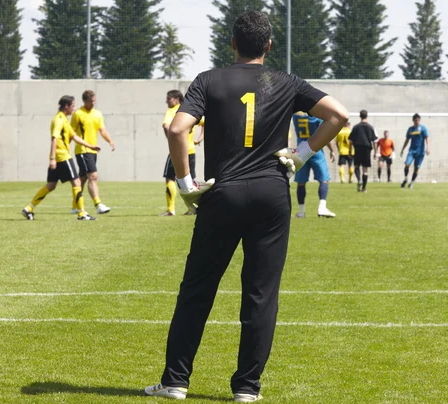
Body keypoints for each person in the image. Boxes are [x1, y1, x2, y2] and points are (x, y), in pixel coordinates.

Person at [144, 11, 348, 402]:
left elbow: (176, 128)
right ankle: (247, 389)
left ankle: (175, 381)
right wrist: (303, 153)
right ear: (268, 45)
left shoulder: (209, 79)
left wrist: (186, 184)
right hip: (272, 194)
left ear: (232, 43)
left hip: (224, 193)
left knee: (198, 288)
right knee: (260, 293)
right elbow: (339, 115)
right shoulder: (286, 82)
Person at [22, 96, 100, 221]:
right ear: (66, 106)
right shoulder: (58, 119)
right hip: (62, 156)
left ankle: (28, 208)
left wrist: (91, 146)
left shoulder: (64, 119)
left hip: (59, 156)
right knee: (77, 182)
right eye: (73, 106)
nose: (74, 108)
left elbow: (74, 137)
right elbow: (54, 138)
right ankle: (82, 213)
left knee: (51, 185)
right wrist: (53, 159)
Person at [161, 91, 205, 216]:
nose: (167, 101)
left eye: (168, 99)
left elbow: (165, 126)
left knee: (170, 178)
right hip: (191, 150)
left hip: (177, 150)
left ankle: (171, 210)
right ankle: (194, 208)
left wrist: (171, 140)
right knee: (191, 180)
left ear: (176, 99)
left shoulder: (172, 112)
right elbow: (203, 122)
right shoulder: (189, 111)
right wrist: (200, 138)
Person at [70, 90, 115, 215]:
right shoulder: (78, 114)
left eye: (94, 101)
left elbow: (102, 130)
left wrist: (110, 140)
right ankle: (98, 204)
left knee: (83, 179)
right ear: (85, 101)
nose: (93, 103)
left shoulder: (97, 114)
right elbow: (71, 133)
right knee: (93, 176)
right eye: (90, 101)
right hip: (83, 150)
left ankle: (75, 206)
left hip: (93, 150)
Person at [292, 112, 336, 218]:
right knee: (324, 179)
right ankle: (322, 207)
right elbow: (325, 135)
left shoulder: (295, 116)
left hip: (301, 150)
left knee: (301, 182)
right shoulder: (317, 117)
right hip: (315, 150)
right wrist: (332, 150)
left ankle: (301, 212)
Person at [348, 110, 377, 192]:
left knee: (356, 166)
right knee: (365, 170)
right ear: (366, 116)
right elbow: (374, 141)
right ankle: (364, 188)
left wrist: (350, 151)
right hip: (367, 149)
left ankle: (359, 179)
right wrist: (375, 152)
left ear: (360, 116)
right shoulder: (371, 127)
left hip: (357, 148)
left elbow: (350, 141)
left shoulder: (356, 127)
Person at [400, 113, 430, 189]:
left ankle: (411, 183)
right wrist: (403, 149)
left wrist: (428, 147)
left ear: (419, 120)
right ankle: (406, 179)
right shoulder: (410, 129)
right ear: (413, 120)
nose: (417, 121)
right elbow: (407, 139)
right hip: (412, 151)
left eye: (418, 120)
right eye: (415, 120)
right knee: (407, 164)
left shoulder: (423, 128)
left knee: (416, 168)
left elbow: (427, 138)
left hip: (420, 153)